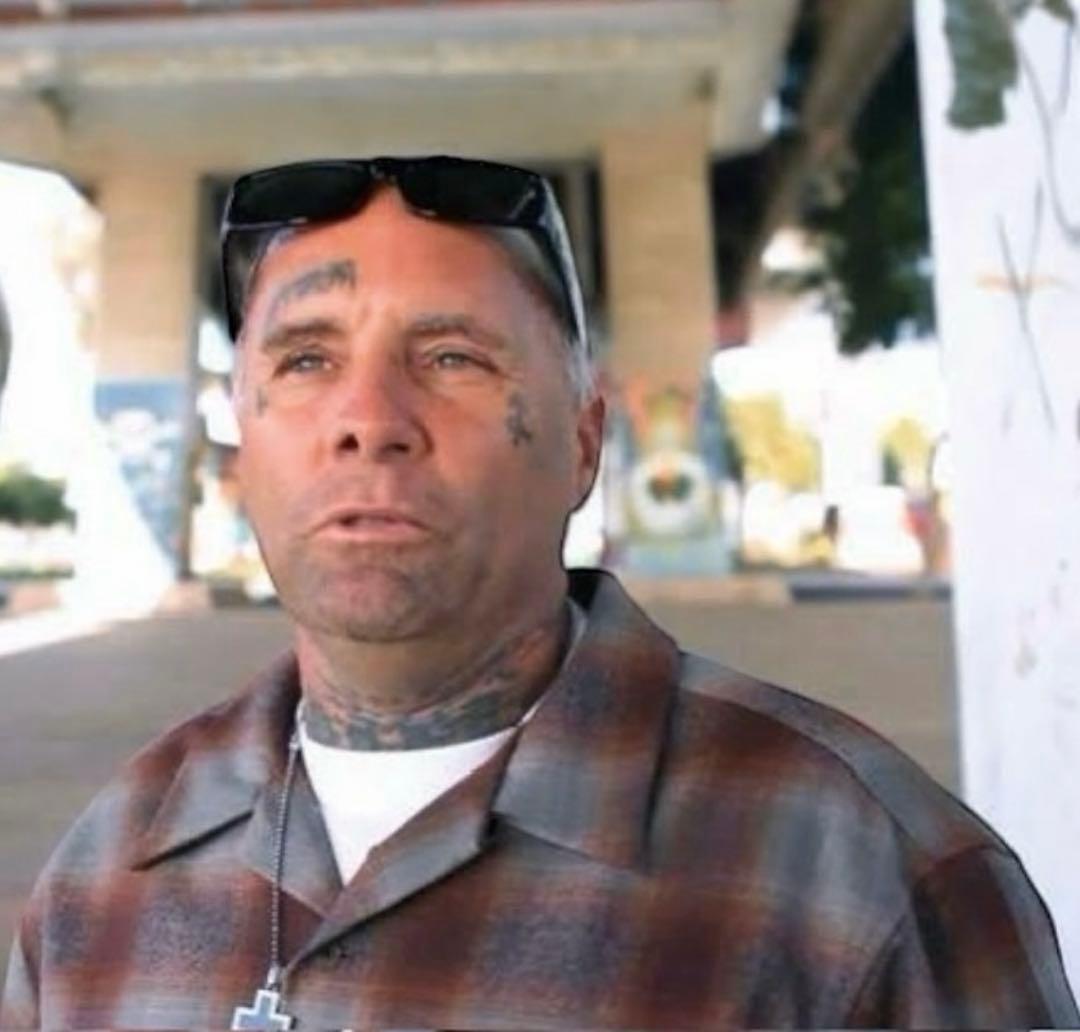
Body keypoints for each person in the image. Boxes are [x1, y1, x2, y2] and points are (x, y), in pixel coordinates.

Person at [3, 156, 1077, 1030]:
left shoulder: (872, 876)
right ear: (244, 448)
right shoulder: (106, 869)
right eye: (305, 361)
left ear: (583, 445)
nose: (368, 418)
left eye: (452, 358)